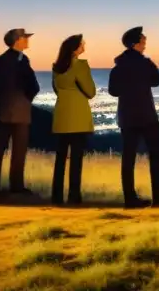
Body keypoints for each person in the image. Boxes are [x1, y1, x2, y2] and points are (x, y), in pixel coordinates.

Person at [108, 26, 159, 208]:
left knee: (128, 157)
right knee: (156, 155)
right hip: (146, 115)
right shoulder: (145, 64)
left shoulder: (118, 67)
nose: (145, 44)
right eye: (143, 41)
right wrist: (149, 64)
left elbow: (113, 91)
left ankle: (129, 198)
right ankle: (158, 196)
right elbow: (156, 80)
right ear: (135, 44)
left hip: (127, 116)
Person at [0, 28, 40, 198]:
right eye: (25, 38)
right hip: (20, 109)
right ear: (18, 40)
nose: (28, 40)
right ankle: (16, 186)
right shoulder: (22, 61)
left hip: (1, 109)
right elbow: (33, 85)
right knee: (18, 150)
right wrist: (26, 99)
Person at [51, 34, 95, 206]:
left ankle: (56, 196)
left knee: (60, 158)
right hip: (78, 117)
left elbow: (57, 89)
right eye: (82, 44)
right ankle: (74, 196)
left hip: (62, 115)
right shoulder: (81, 66)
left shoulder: (56, 67)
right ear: (75, 48)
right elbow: (90, 91)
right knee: (76, 159)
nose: (84, 46)